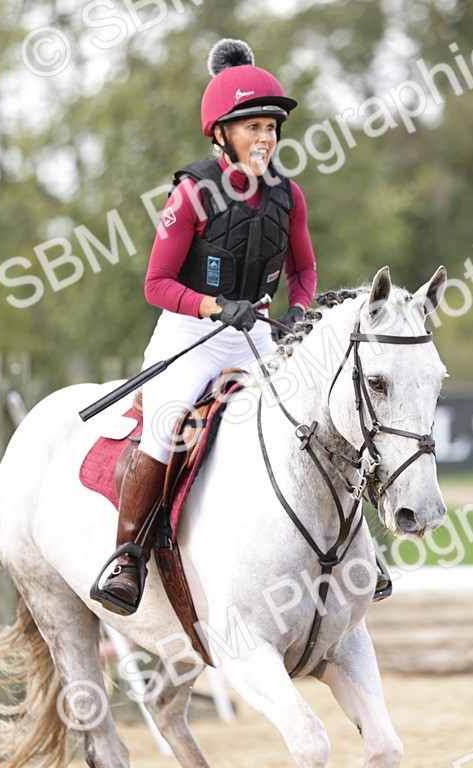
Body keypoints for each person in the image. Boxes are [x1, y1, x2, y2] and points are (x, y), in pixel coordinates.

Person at [91, 38, 317, 616]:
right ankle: (128, 557)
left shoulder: (288, 196)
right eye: (252, 128)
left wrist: (298, 311)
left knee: (313, 413)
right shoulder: (191, 193)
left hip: (257, 333)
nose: (264, 138)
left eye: (271, 127)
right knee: (167, 426)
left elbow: (304, 270)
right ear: (221, 134)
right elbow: (156, 285)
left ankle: (349, 548)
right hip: (190, 337)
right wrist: (216, 307)